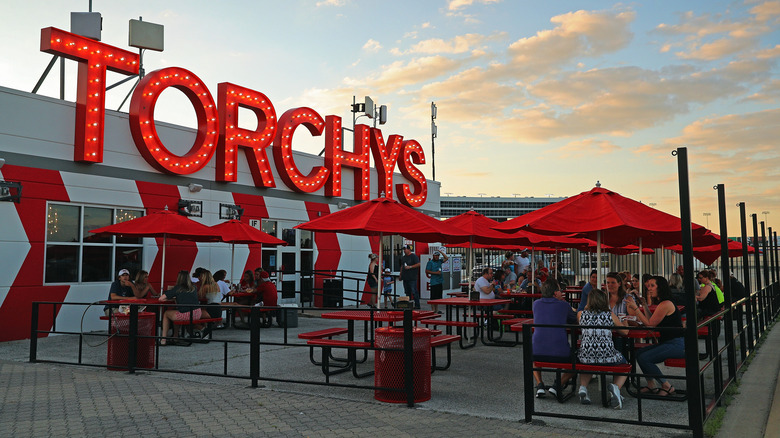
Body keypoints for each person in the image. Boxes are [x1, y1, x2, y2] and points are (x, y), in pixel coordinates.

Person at [625, 276, 685, 396]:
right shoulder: (663, 302)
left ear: (660, 288)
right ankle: (651, 385)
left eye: (652, 286)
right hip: (669, 342)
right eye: (648, 286)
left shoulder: (666, 304)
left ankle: (666, 386)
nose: (649, 289)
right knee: (639, 353)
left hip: (676, 344)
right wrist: (644, 306)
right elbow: (652, 320)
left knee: (645, 358)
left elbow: (650, 325)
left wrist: (636, 309)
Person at [576, 289, 629, 409]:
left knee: (586, 361)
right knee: (624, 364)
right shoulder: (609, 314)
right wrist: (625, 322)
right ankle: (616, 387)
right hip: (606, 355)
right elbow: (625, 332)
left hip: (586, 355)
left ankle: (583, 387)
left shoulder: (581, 314)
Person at [532, 279, 577, 398]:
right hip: (560, 353)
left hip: (537, 352)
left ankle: (540, 384)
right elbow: (574, 321)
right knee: (578, 362)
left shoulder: (535, 304)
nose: (561, 292)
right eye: (560, 290)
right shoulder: (564, 305)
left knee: (533, 360)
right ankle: (558, 385)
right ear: (555, 293)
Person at [158, 270, 202, 346]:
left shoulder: (177, 288)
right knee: (176, 313)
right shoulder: (194, 287)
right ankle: (175, 336)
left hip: (186, 314)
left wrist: (172, 298)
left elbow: (161, 299)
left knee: (166, 314)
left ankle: (163, 339)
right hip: (197, 313)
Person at [400, 245, 421, 309]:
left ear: (409, 249)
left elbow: (419, 264)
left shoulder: (414, 256)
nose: (404, 250)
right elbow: (402, 266)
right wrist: (400, 274)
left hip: (412, 277)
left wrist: (410, 267)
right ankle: (408, 304)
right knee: (407, 291)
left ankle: (417, 305)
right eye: (403, 249)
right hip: (405, 277)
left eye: (405, 249)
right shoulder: (403, 258)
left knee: (414, 291)